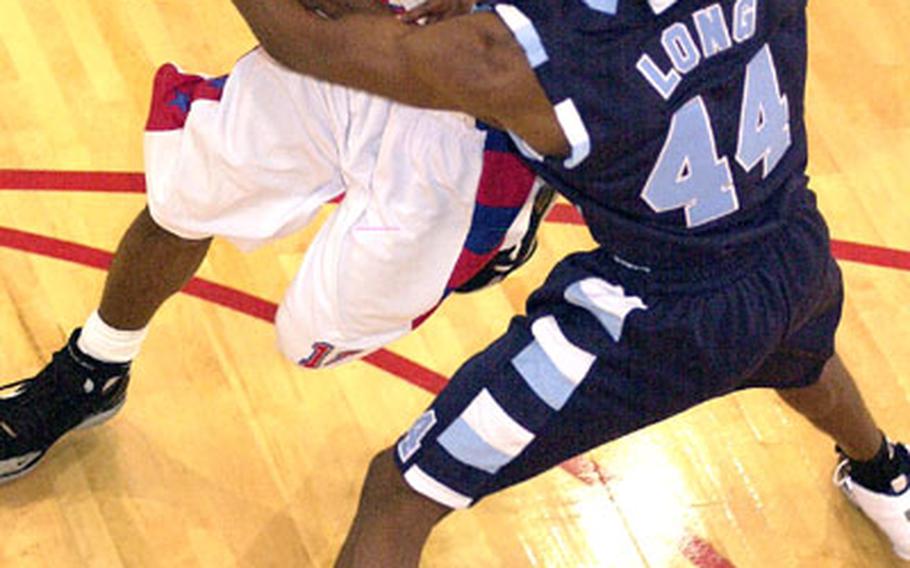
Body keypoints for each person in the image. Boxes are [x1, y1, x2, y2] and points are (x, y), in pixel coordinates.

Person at [1, 0, 907, 566]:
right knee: (185, 194)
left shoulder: (528, 58)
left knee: (334, 382)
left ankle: (500, 222)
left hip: (504, 161)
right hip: (773, 237)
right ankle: (94, 367)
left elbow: (318, 41)